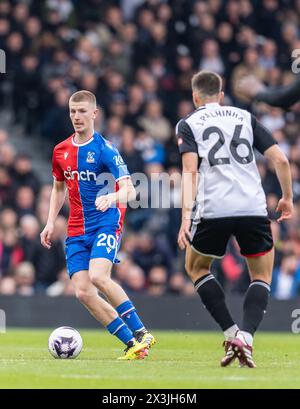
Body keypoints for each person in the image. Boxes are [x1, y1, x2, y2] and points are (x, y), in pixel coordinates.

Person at [177, 71, 293, 368]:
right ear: (222, 95)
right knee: (262, 276)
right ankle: (247, 338)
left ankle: (231, 333)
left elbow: (190, 172)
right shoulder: (244, 117)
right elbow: (280, 159)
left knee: (195, 267)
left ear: (195, 97)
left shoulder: (188, 123)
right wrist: (287, 197)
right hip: (252, 208)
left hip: (213, 209)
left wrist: (185, 218)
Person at [40, 90, 156, 360]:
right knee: (82, 292)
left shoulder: (105, 149)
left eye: (82, 111)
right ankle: (132, 344)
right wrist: (49, 223)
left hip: (106, 221)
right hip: (76, 229)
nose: (77, 117)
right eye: (72, 111)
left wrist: (111, 197)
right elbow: (59, 188)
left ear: (94, 114)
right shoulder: (60, 151)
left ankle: (141, 332)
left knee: (98, 276)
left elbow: (130, 191)